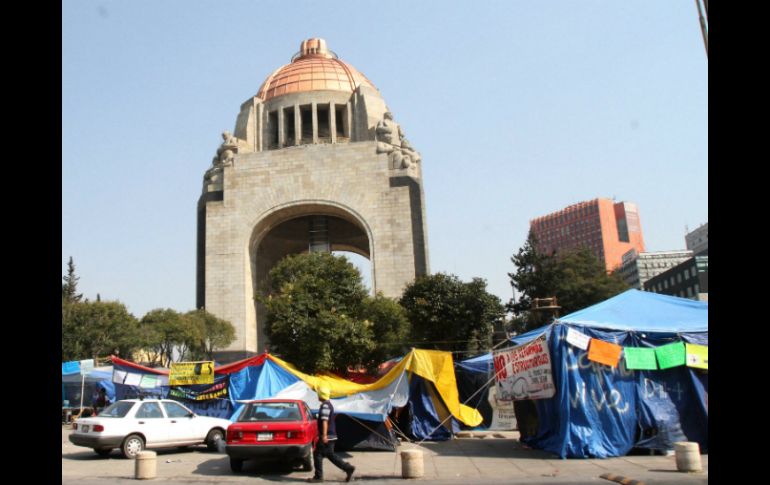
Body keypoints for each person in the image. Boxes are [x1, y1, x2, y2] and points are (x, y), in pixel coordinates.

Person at [309, 385, 355, 483]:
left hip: (328, 436)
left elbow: (325, 421)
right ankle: (347, 468)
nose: (317, 395)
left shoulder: (325, 406)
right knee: (329, 455)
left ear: (321, 395)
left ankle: (318, 477)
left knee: (317, 454)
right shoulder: (328, 404)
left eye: (318, 393)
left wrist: (324, 435)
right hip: (331, 435)